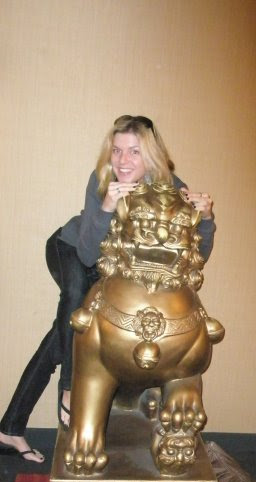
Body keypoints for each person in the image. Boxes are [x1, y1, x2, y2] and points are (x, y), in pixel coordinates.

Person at [0, 115, 216, 463]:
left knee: (59, 336)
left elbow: (195, 255)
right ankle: (69, 389)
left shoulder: (172, 188)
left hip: (106, 268)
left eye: (134, 151)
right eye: (117, 150)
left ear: (152, 156)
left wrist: (205, 220)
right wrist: (106, 207)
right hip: (71, 247)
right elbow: (87, 253)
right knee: (75, 305)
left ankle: (10, 427)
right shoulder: (103, 179)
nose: (122, 160)